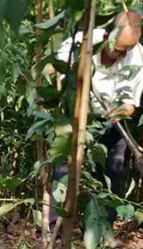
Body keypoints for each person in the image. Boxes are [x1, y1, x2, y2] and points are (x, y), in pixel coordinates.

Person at [55, 10, 143, 222]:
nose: (121, 55)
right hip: (77, 114)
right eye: (117, 50)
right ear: (107, 36)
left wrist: (120, 110)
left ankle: (102, 227)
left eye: (126, 51)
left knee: (112, 170)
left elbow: (131, 104)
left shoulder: (138, 59)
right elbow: (57, 66)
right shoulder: (85, 40)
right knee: (64, 166)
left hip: (112, 123)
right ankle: (54, 225)